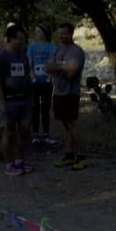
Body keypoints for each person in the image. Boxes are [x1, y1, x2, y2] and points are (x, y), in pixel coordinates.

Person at [0, 25, 36, 175]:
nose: (22, 41)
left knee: (25, 130)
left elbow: (26, 74)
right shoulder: (1, 56)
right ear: (10, 39)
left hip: (25, 99)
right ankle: (9, 163)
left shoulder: (23, 54)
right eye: (19, 38)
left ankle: (20, 160)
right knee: (9, 131)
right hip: (9, 100)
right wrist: (2, 101)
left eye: (23, 38)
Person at [48, 24, 89, 170]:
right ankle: (69, 154)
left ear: (71, 34)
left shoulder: (76, 52)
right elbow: (48, 68)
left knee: (72, 125)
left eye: (64, 34)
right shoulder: (58, 50)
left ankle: (82, 156)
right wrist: (62, 67)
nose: (61, 36)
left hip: (70, 93)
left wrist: (57, 68)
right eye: (59, 34)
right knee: (65, 126)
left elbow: (72, 72)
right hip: (58, 91)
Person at [27, 25, 57, 147]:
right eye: (36, 31)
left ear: (45, 32)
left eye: (40, 31)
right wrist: (33, 78)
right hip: (35, 82)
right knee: (35, 108)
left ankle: (46, 134)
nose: (37, 33)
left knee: (45, 108)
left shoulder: (52, 47)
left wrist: (50, 78)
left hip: (47, 81)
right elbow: (29, 64)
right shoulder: (32, 47)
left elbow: (54, 64)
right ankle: (35, 134)